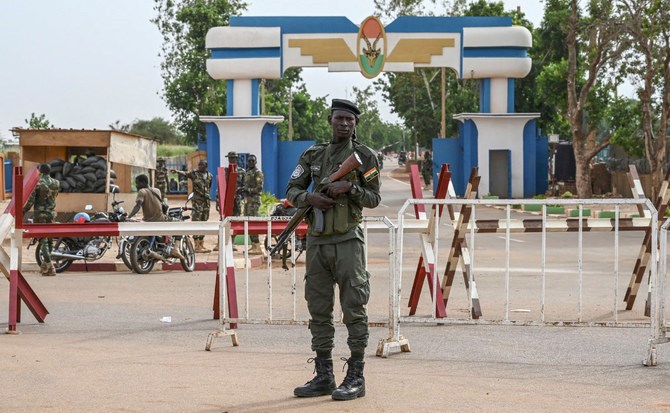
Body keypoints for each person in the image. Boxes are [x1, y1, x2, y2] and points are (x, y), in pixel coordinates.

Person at [287, 99, 381, 401]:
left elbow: (373, 198)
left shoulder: (364, 157)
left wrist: (349, 189)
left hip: (348, 241)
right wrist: (309, 199)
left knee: (354, 305)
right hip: (317, 241)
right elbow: (291, 189)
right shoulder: (313, 155)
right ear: (330, 120)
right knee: (318, 307)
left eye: (349, 120)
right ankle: (324, 374)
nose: (344, 124)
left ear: (355, 124)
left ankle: (356, 375)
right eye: (339, 118)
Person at [127, 174, 183, 260]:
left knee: (179, 223)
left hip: (147, 221)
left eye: (137, 183)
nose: (136, 185)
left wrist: (129, 217)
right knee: (180, 223)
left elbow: (138, 206)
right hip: (161, 219)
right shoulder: (157, 191)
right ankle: (176, 248)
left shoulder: (142, 192)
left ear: (143, 183)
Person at [23, 163, 60, 276]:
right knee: (49, 240)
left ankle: (49, 265)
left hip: (40, 215)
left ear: (40, 172)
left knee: (42, 240)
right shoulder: (56, 183)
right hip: (51, 214)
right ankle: (45, 266)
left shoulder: (38, 184)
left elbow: (31, 201)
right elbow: (54, 196)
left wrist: (23, 211)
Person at [172, 159, 213, 253]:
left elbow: (208, 187)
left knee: (204, 221)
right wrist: (177, 171)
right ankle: (196, 245)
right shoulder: (194, 174)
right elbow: (185, 173)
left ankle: (201, 244)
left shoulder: (210, 176)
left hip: (206, 202)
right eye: (199, 165)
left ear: (206, 166)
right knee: (196, 221)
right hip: (197, 202)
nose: (199, 166)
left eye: (202, 165)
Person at [214, 151, 246, 252]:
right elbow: (219, 186)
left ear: (236, 159)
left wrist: (240, 192)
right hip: (225, 200)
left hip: (236, 200)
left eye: (233, 158)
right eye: (230, 158)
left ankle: (232, 242)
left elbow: (245, 185)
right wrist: (217, 200)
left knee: (235, 221)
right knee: (223, 220)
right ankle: (220, 243)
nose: (231, 160)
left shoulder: (241, 171)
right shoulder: (225, 171)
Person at [240, 154, 264, 255]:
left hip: (254, 201)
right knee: (247, 222)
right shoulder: (247, 172)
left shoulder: (258, 173)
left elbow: (259, 188)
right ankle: (253, 245)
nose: (250, 163)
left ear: (256, 162)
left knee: (253, 223)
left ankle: (257, 245)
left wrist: (247, 189)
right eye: (249, 161)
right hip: (247, 201)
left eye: (252, 161)